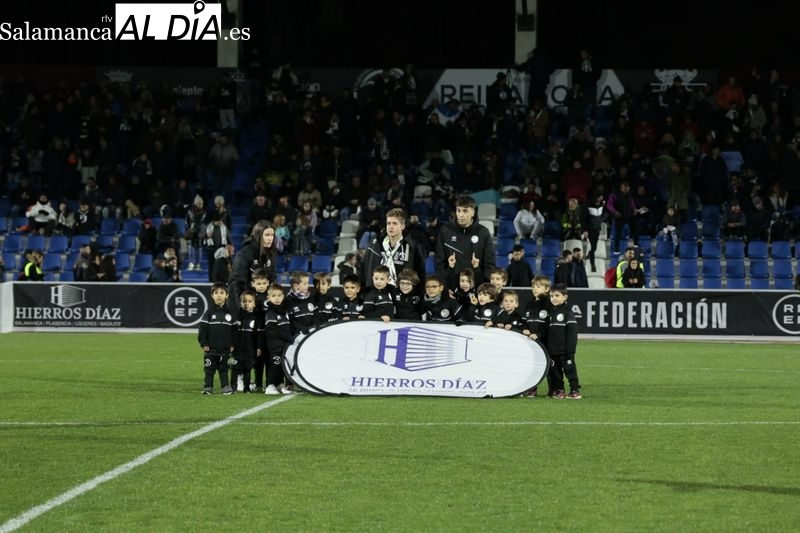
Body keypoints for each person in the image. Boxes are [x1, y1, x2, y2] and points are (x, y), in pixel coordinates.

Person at [435, 195, 496, 292]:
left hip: (477, 290)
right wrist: (445, 287)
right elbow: (439, 263)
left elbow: (489, 263)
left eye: (465, 211)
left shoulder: (483, 233)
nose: (461, 215)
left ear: (473, 212)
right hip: (451, 289)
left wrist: (482, 288)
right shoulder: (445, 231)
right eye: (458, 210)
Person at [361, 207, 427, 289]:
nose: (390, 227)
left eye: (394, 223)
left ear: (402, 226)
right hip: (376, 292)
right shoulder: (376, 242)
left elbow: (420, 271)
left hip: (401, 293)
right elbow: (363, 266)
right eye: (388, 223)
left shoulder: (411, 246)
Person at [229, 220, 277, 313]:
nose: (270, 238)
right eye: (267, 235)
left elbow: (272, 278)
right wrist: (243, 307)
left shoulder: (270, 253)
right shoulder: (245, 253)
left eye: (272, 235)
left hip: (260, 303)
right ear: (259, 235)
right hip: (241, 302)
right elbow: (238, 283)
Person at [197, 282, 235, 395]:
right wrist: (204, 343)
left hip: (225, 348)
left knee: (223, 369)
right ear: (212, 295)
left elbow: (235, 332)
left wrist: (233, 344)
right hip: (211, 348)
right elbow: (202, 329)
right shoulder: (209, 313)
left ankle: (225, 387)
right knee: (209, 369)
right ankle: (208, 387)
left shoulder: (230, 314)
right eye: (216, 293)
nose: (219, 295)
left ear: (227, 295)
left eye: (222, 293)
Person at [546, 283, 581, 399]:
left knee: (570, 371)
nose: (554, 298)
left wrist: (570, 350)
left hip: (565, 351)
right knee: (556, 373)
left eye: (557, 295)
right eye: (551, 296)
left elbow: (572, 333)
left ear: (565, 297)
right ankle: (560, 390)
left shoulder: (568, 313)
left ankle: (575, 390)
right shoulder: (550, 313)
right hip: (553, 351)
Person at [521, 275, 552, 397]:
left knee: (550, 366)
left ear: (546, 289)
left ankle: (554, 389)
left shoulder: (549, 303)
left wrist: (538, 334)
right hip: (531, 341)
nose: (535, 289)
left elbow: (549, 325)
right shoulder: (529, 303)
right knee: (532, 365)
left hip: (545, 340)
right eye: (533, 286)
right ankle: (532, 389)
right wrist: (525, 329)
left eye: (538, 286)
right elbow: (525, 321)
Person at [263, 284, 295, 395]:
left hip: (284, 345)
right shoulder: (270, 313)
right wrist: (288, 338)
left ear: (283, 296)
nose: (277, 298)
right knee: (275, 365)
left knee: (282, 366)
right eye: (273, 296)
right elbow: (273, 332)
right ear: (269, 298)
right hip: (275, 346)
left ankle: (280, 385)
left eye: (279, 295)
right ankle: (270, 386)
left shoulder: (284, 312)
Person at [230, 289, 260, 393]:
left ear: (254, 303)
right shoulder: (237, 316)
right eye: (244, 301)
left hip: (249, 350)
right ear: (240, 303)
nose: (246, 304)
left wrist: (257, 347)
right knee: (235, 369)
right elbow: (233, 333)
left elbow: (257, 336)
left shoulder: (256, 318)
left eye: (249, 301)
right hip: (237, 349)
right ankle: (233, 387)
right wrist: (232, 345)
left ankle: (246, 388)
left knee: (247, 369)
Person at [250, 269, 271, 392]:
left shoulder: (271, 296)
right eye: (258, 283)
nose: (261, 286)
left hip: (269, 333)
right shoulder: (251, 297)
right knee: (258, 360)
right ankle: (258, 384)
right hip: (256, 334)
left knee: (269, 360)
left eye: (263, 283)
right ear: (253, 284)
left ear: (268, 283)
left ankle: (269, 383)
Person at [285, 271, 316, 335]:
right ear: (296, 286)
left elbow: (315, 316)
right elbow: (291, 321)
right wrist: (302, 330)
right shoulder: (288, 301)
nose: (308, 286)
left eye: (308, 283)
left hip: (311, 335)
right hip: (296, 337)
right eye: (305, 283)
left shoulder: (310, 298)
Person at [185, 195, 207, 271]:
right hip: (191, 232)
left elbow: (203, 223)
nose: (201, 205)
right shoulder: (190, 211)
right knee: (191, 248)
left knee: (199, 248)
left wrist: (201, 231)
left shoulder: (204, 212)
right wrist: (189, 229)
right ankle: (191, 263)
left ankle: (197, 264)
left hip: (199, 232)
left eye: (202, 204)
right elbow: (187, 221)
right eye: (200, 204)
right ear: (196, 204)